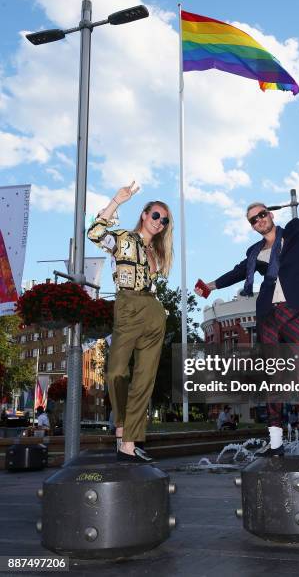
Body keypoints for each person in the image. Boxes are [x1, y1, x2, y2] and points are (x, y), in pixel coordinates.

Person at [195, 160, 299, 457]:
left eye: (262, 214)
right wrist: (210, 286)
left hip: (294, 309)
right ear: (251, 226)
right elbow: (237, 273)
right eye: (253, 220)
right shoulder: (255, 253)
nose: (259, 220)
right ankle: (276, 443)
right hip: (268, 316)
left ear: (271, 215)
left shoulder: (296, 232)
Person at [87, 182, 173, 463]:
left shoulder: (156, 253)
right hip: (127, 304)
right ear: (145, 215)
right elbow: (95, 233)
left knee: (144, 379)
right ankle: (122, 426)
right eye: (156, 216)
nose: (160, 222)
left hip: (154, 310)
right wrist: (116, 201)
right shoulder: (123, 238)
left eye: (165, 220)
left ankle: (129, 442)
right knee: (116, 372)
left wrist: (160, 312)